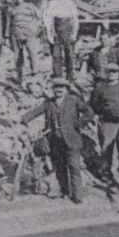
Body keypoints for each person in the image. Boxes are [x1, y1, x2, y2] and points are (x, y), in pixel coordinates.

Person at [22, 75, 90, 203]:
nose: (59, 90)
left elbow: (89, 112)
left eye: (61, 87)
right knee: (60, 168)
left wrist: (79, 123)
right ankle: (65, 192)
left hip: (72, 139)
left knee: (74, 166)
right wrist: (23, 119)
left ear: (66, 89)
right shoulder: (49, 102)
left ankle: (77, 196)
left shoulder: (73, 100)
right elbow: (36, 111)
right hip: (55, 141)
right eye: (56, 87)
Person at [89, 62, 119, 199]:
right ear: (106, 73)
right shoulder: (100, 88)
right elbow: (93, 104)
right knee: (106, 151)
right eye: (109, 72)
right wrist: (104, 113)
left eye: (114, 72)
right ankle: (109, 180)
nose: (112, 74)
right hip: (107, 124)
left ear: (118, 73)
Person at [44, 0, 81, 83]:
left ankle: (70, 76)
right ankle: (58, 76)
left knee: (69, 53)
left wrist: (74, 33)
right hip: (56, 27)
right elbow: (48, 19)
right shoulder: (52, 3)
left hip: (68, 29)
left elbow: (75, 20)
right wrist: (49, 33)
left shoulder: (71, 3)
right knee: (56, 54)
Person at [9, 0, 45, 85]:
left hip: (29, 33)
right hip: (16, 33)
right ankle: (19, 76)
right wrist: (9, 36)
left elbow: (40, 16)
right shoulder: (12, 8)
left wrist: (37, 29)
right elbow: (10, 23)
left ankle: (35, 74)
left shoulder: (30, 6)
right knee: (17, 55)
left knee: (32, 53)